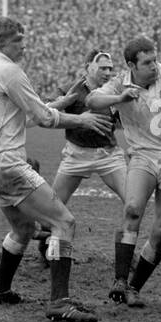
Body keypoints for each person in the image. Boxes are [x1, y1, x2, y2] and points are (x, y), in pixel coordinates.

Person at [0, 17, 113, 322]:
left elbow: (24, 117)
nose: (24, 44)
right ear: (6, 42)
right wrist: (81, 120)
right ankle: (59, 304)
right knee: (64, 221)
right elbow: (45, 119)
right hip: (8, 164)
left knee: (23, 229)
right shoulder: (10, 70)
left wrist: (58, 104)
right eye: (20, 39)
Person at [88, 36, 161, 308]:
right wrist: (120, 97)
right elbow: (92, 100)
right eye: (147, 63)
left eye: (155, 59)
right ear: (131, 65)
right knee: (133, 208)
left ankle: (135, 288)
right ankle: (120, 281)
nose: (154, 66)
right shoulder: (119, 83)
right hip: (143, 156)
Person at [38, 50, 127, 257]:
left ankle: (125, 252)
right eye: (102, 67)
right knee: (52, 207)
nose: (108, 72)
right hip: (76, 154)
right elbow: (43, 115)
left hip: (109, 155)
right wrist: (63, 107)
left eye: (110, 68)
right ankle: (45, 246)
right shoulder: (71, 90)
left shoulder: (114, 88)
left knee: (132, 202)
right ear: (87, 66)